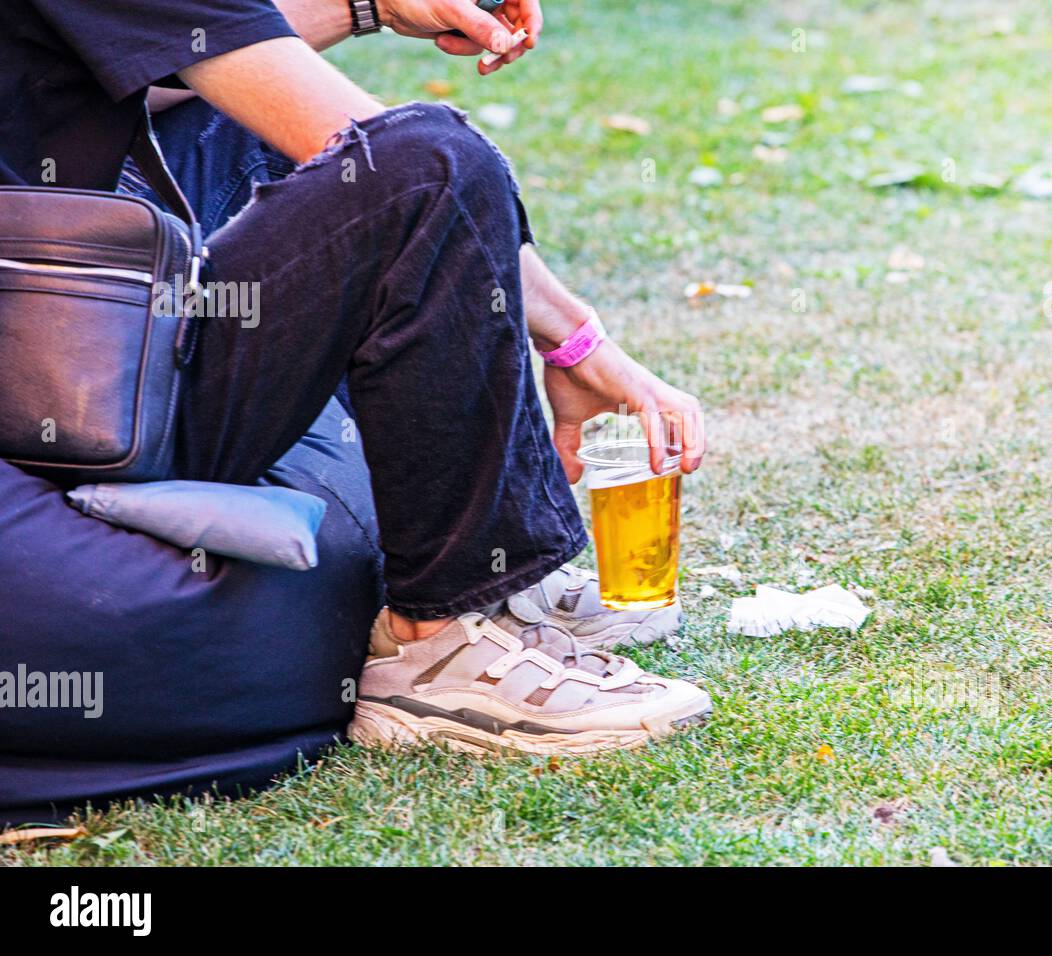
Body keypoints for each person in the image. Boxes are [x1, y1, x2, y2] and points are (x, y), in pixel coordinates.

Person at [0, 0, 712, 755]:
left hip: (54, 321)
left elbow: (182, 49)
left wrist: (368, 7)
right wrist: (574, 340)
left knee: (235, 123)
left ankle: (497, 571)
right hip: (53, 389)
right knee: (428, 160)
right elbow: (371, 152)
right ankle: (433, 643)